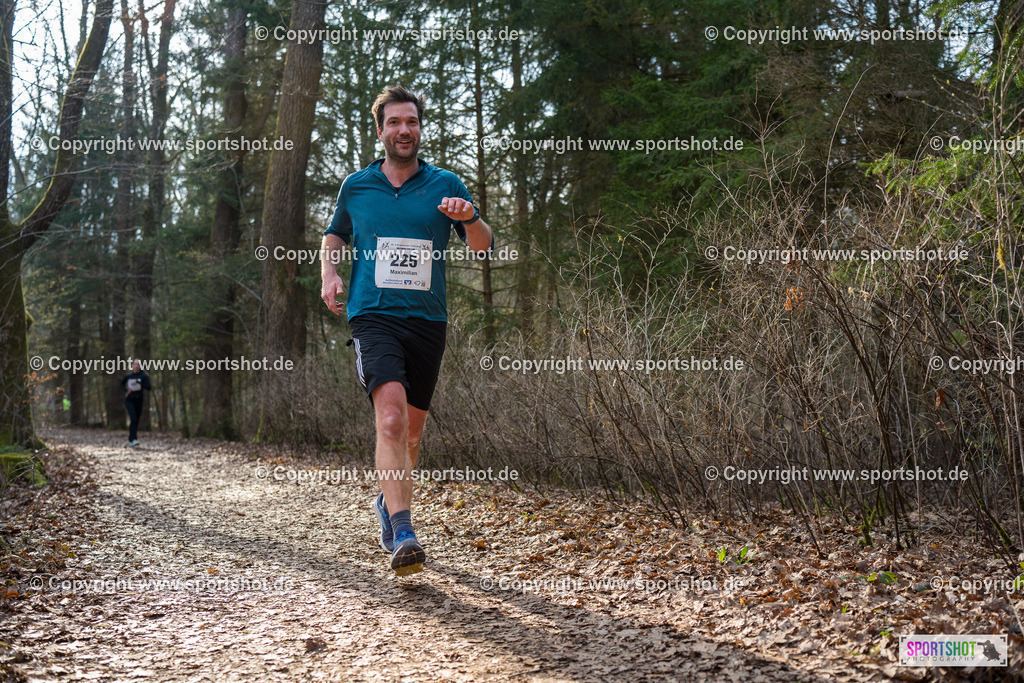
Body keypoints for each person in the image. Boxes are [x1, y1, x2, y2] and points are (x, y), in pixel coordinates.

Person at [320, 85, 493, 576]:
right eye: (394, 122)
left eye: (411, 122)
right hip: (372, 315)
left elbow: (482, 247)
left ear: (420, 128)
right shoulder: (357, 186)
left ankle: (386, 503)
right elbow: (335, 233)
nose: (403, 130)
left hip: (427, 320)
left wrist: (472, 217)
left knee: (412, 436)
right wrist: (330, 273)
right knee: (391, 420)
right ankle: (404, 530)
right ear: (380, 131)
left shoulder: (446, 183)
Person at [120, 359, 151, 447]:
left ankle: (133, 439)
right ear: (132, 365)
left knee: (136, 420)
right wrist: (126, 390)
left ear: (140, 366)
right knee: (133, 418)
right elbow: (121, 384)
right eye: (135, 364)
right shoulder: (129, 376)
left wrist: (139, 382)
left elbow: (149, 387)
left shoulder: (144, 376)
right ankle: (132, 439)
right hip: (130, 399)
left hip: (139, 399)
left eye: (138, 364)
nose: (136, 366)